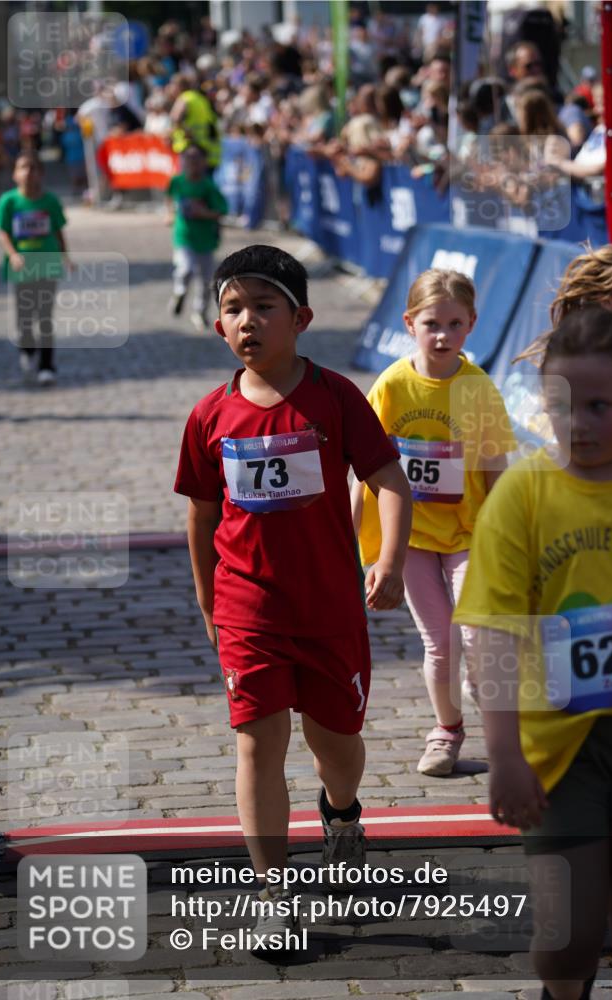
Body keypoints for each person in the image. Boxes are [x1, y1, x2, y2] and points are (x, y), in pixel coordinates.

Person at [174, 244, 411, 950]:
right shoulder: (208, 416)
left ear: (301, 319)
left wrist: (390, 561)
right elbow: (201, 515)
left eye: (264, 306)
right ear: (218, 325)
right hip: (247, 609)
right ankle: (273, 893)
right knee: (257, 743)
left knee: (335, 743)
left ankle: (342, 815)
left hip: (330, 608)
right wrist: (209, 604)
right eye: (233, 309)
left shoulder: (336, 397)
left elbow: (388, 480)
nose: (248, 321)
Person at [454, 307, 612, 1000]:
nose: (577, 423)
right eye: (560, 405)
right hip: (554, 750)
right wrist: (503, 754)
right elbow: (495, 632)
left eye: (600, 406)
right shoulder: (522, 495)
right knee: (567, 939)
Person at [351, 269, 516, 776]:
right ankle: (447, 731)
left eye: (454, 324)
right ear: (409, 323)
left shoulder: (478, 388)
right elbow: (363, 470)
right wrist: (349, 540)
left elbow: (496, 466)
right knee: (440, 643)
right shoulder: (392, 385)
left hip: (470, 533)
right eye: (431, 324)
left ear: (472, 324)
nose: (443, 335)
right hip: (412, 539)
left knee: (478, 638)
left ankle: (495, 718)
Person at [0, 152, 68, 386]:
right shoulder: (9, 201)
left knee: (45, 316)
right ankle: (27, 350)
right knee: (25, 317)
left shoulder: (50, 201)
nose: (28, 172)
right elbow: (3, 232)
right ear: (15, 174)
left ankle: (47, 366)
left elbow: (58, 231)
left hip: (47, 265)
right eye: (23, 167)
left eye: (33, 168)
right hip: (22, 268)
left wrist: (65, 257)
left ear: (41, 173)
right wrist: (13, 255)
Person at [166, 144, 228, 333]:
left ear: (204, 163)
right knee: (185, 268)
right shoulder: (177, 181)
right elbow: (169, 197)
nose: (192, 163)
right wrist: (170, 213)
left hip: (205, 239)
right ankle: (179, 292)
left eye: (196, 159)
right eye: (188, 158)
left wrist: (204, 213)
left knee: (206, 280)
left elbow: (222, 210)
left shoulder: (208, 186)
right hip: (184, 235)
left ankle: (200, 312)